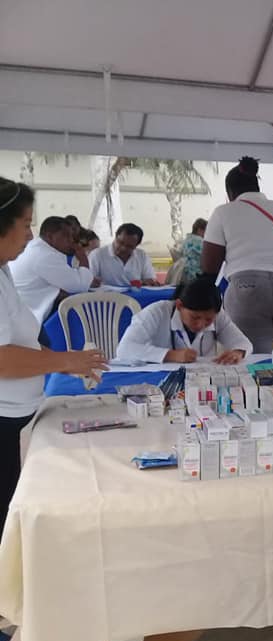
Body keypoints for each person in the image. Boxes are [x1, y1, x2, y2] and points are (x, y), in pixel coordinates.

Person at [0, 178, 107, 533]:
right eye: (25, 224)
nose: (30, 235)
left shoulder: (3, 269)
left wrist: (68, 359)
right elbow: (3, 359)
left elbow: (23, 339)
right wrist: (65, 361)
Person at [201, 156, 273, 354]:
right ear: (257, 185)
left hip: (248, 288)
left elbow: (209, 265)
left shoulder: (224, 212)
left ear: (230, 192)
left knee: (254, 357)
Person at [115, 276, 252, 365]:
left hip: (202, 378)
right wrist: (170, 355)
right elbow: (125, 349)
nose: (201, 324)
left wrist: (238, 352)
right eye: (195, 317)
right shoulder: (156, 312)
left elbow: (243, 343)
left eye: (208, 319)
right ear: (179, 305)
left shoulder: (218, 315)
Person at [9, 215, 95, 324]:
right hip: (29, 316)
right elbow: (80, 286)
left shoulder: (37, 248)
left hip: (23, 311)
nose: (71, 240)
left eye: (71, 236)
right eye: (66, 236)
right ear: (50, 236)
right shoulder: (44, 255)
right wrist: (83, 258)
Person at [89, 223, 159, 287]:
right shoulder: (97, 255)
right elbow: (89, 281)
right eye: (120, 242)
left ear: (136, 246)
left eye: (129, 246)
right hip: (107, 296)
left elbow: (150, 280)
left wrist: (146, 282)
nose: (123, 248)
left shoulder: (142, 256)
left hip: (136, 295)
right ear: (116, 236)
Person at [179, 218, 206, 284]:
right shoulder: (200, 241)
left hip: (184, 274)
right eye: (206, 231)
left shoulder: (185, 240)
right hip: (196, 276)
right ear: (200, 230)